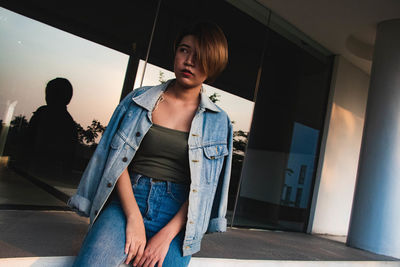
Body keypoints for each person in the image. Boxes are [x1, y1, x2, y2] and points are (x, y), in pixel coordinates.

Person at [68, 22, 232, 267]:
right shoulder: (137, 101)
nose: (189, 61)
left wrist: (166, 236)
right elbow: (116, 161)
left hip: (178, 212)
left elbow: (205, 188)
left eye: (200, 56)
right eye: (184, 50)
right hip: (128, 199)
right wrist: (133, 218)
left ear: (214, 64)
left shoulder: (219, 122)